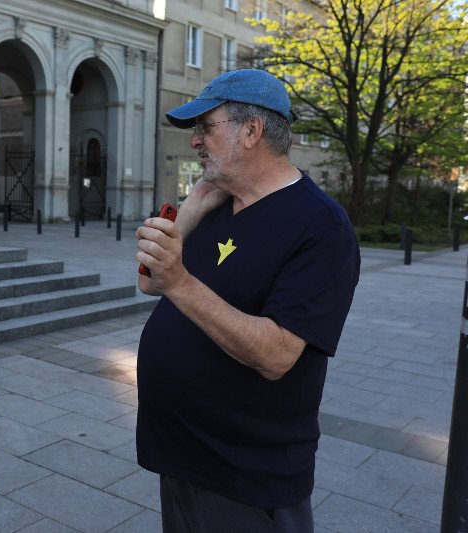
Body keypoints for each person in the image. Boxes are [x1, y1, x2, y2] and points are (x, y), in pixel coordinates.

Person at [135, 69, 360, 532]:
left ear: (252, 131)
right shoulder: (218, 202)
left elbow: (277, 355)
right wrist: (191, 210)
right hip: (180, 456)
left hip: (244, 477)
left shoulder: (320, 226)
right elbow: (148, 283)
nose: (195, 141)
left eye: (205, 127)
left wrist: (181, 282)